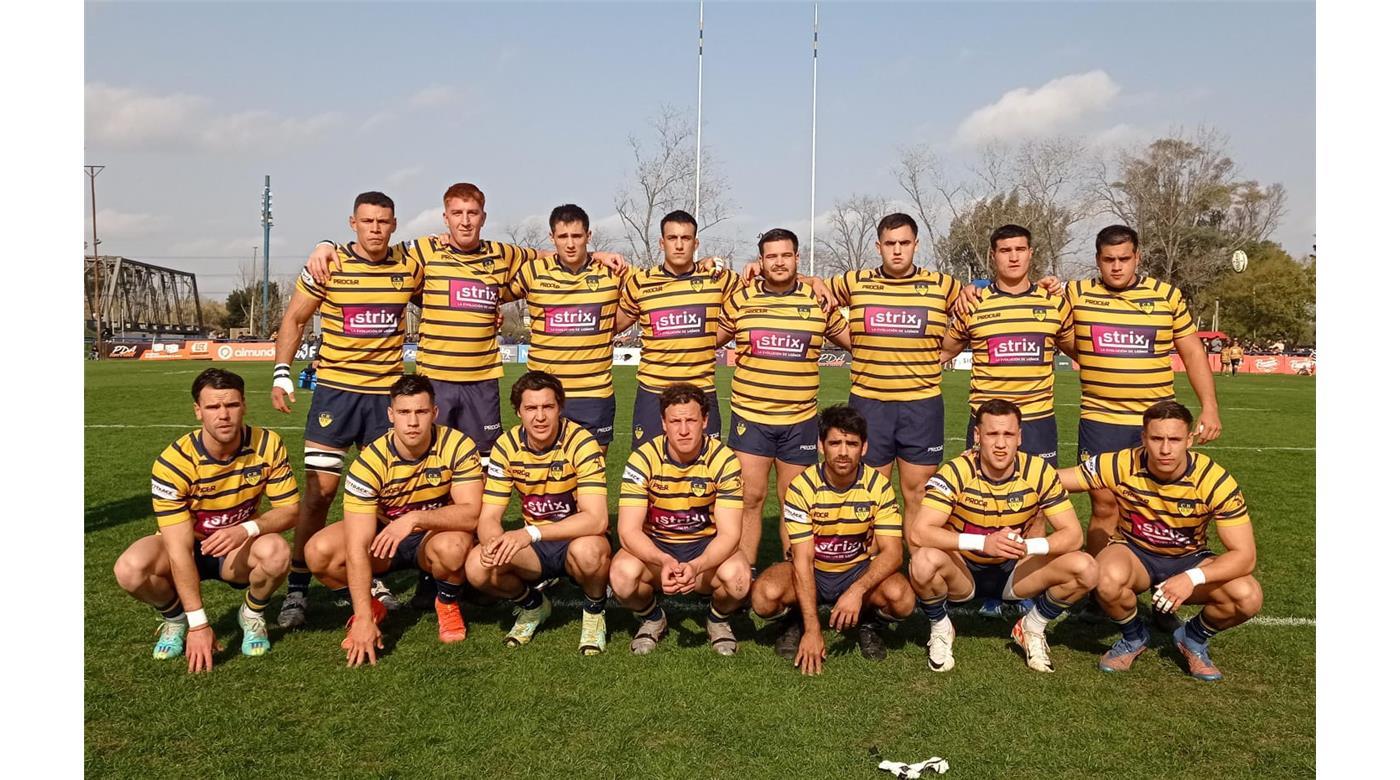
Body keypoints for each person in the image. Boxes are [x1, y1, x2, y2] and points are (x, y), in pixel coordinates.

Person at [301, 184, 624, 610]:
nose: (466, 220)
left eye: (473, 212)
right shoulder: (421, 252)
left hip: (484, 385)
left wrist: (594, 255)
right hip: (435, 381)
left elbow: (548, 257)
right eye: (457, 212)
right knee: (436, 477)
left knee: (482, 480)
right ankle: (433, 573)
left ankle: (471, 568)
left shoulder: (504, 255)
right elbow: (373, 247)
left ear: (483, 217)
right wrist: (325, 245)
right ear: (446, 216)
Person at [271, 191, 424, 628]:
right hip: (336, 395)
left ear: (394, 225)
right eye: (367, 221)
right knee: (319, 495)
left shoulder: (408, 266)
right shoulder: (330, 264)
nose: (375, 229)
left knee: (382, 497)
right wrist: (283, 371)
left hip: (385, 400)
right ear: (352, 222)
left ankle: (370, 577)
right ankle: (298, 589)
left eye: (383, 222)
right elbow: (296, 318)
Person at [1056, 401, 1261, 681]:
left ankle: (1193, 637)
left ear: (1189, 440)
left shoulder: (1215, 480)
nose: (1165, 449)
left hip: (1189, 558)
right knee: (1103, 577)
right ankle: (1133, 636)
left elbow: (1245, 556)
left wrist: (1191, 578)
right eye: (1156, 438)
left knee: (1247, 596)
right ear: (1143, 438)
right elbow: (1056, 480)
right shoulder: (1120, 463)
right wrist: (1000, 467)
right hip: (1135, 554)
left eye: (1175, 439)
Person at [114, 368, 299, 672]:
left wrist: (246, 529)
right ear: (198, 411)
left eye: (232, 405)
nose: (223, 415)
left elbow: (290, 510)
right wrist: (199, 624)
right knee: (130, 569)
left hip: (236, 550)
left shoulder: (268, 444)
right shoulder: (173, 462)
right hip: (188, 545)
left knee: (277, 551)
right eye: (213, 407)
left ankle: (252, 615)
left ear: (244, 406)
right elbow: (177, 549)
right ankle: (175, 620)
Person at [1064, 225, 1222, 564]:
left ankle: (1159, 583)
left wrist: (1209, 407)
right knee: (1104, 504)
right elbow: (1030, 299)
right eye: (1108, 260)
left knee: (1154, 508)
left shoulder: (1166, 296)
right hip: (1100, 420)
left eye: (1124, 258)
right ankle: (1097, 589)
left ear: (1138, 257)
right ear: (1097, 260)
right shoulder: (1076, 293)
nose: (1117, 267)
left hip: (1156, 424)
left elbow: (1193, 352)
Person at [905, 400, 1098, 673]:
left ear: (1019, 437)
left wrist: (1023, 546)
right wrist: (983, 542)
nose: (1000, 444)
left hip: (1016, 570)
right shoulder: (956, 470)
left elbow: (1073, 535)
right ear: (977, 436)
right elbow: (920, 531)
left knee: (1086, 568)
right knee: (922, 561)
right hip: (964, 571)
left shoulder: (1038, 471)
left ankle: (1032, 628)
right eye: (992, 434)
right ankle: (941, 628)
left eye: (1008, 435)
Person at [303, 375, 483, 666]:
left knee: (453, 545)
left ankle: (447, 603)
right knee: (319, 552)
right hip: (384, 538)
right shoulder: (369, 461)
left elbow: (471, 513)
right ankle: (371, 607)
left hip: (432, 535)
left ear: (434, 413)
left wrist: (414, 518)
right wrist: (362, 617)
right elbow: (357, 544)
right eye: (404, 412)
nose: (413, 422)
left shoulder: (457, 445)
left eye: (421, 412)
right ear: (391, 415)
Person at [717, 228, 851, 570]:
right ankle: (742, 575)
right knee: (749, 498)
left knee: (795, 502)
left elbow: (856, 341)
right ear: (760, 261)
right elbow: (708, 339)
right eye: (771, 256)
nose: (779, 262)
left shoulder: (816, 299)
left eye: (785, 255)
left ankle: (795, 578)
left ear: (797, 258)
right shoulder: (741, 299)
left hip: (800, 421)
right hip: (752, 417)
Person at [750, 405, 913, 674]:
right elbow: (802, 560)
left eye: (851, 443)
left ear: (864, 447)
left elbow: (893, 553)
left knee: (903, 598)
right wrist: (813, 631)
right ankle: (798, 621)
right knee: (763, 597)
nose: (843, 451)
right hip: (813, 569)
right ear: (821, 445)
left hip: (857, 570)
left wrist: (856, 590)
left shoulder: (879, 486)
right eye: (835, 442)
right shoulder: (801, 487)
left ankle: (868, 623)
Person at [823, 213, 963, 516]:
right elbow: (814, 293)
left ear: (916, 244)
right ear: (878, 246)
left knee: (919, 493)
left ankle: (917, 564)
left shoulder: (942, 285)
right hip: (870, 404)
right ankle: (874, 562)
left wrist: (946, 352)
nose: (897, 250)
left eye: (904, 243)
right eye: (890, 243)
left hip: (921, 406)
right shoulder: (855, 281)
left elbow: (973, 315)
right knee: (871, 492)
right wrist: (851, 341)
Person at [465, 371, 612, 654]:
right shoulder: (506, 446)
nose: (540, 416)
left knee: (590, 552)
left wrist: (530, 532)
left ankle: (594, 612)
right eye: (531, 408)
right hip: (536, 549)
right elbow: (489, 517)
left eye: (548, 407)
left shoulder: (582, 442)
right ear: (518, 411)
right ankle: (533, 606)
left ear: (560, 408)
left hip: (578, 540)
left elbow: (597, 519)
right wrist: (492, 544)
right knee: (477, 566)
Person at [610, 383, 751, 655]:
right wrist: (662, 560)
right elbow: (628, 531)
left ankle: (717, 619)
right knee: (621, 576)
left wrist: (697, 566)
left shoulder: (724, 460)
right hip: (657, 547)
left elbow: (731, 534)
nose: (683, 430)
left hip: (704, 548)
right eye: (675, 421)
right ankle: (652, 618)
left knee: (739, 579)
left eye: (691, 420)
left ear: (705, 421)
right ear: (663, 422)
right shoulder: (642, 458)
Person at [940, 224, 1073, 465]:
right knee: (982, 499)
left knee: (1041, 497)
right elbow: (942, 352)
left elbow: (1082, 353)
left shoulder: (1054, 302)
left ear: (1030, 253)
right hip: (987, 420)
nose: (1013, 257)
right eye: (1005, 250)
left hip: (1037, 421)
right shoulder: (973, 304)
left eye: (1020, 249)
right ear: (993, 255)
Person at [505, 205, 625, 455]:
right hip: (543, 396)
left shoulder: (612, 272)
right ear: (552, 238)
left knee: (591, 480)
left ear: (588, 237)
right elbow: (486, 291)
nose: (570, 244)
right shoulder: (533, 272)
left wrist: (701, 263)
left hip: (594, 394)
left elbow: (661, 283)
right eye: (563, 236)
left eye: (577, 236)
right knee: (543, 478)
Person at [616, 210, 739, 448]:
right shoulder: (641, 282)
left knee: (705, 477)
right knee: (647, 473)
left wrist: (813, 282)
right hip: (653, 394)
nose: (680, 245)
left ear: (696, 243)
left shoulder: (717, 278)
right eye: (673, 238)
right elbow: (610, 326)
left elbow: (766, 288)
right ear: (662, 243)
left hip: (701, 391)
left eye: (686, 238)